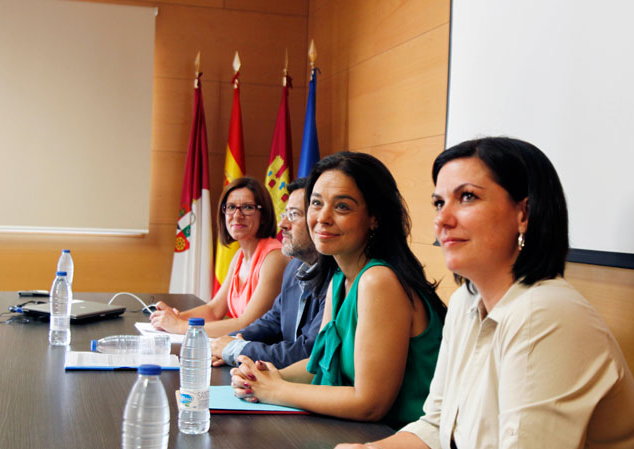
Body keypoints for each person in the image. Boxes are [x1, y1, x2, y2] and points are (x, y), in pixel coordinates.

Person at [266, 137, 634, 449]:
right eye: (438, 201)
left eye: (467, 197)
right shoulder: (469, 300)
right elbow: (435, 427)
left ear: (525, 213)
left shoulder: (548, 315)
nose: (443, 219)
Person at [231, 152, 447, 429]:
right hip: (355, 434)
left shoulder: (378, 280)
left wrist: (275, 390)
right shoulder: (338, 278)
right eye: (316, 203)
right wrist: (267, 377)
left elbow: (370, 404)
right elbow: (318, 365)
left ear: (374, 218)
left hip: (402, 443)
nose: (322, 217)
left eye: (342, 207)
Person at [210, 178, 328, 368]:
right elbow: (272, 322)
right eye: (285, 214)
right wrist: (226, 344)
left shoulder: (336, 277)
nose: (283, 224)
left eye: (294, 214)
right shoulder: (294, 267)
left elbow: (309, 352)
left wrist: (237, 348)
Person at [150, 177, 288, 338]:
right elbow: (214, 310)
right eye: (231, 207)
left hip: (264, 355)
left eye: (247, 207)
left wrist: (180, 326)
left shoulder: (274, 257)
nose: (237, 215)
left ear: (263, 215)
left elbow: (247, 324)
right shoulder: (239, 256)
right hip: (241, 348)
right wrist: (176, 317)